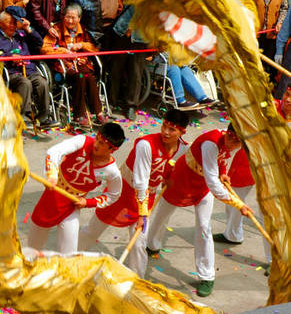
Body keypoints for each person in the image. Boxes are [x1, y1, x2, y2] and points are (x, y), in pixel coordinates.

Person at [80, 110, 189, 277]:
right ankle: (69, 258)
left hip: (147, 196)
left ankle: (135, 280)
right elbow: (141, 181)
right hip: (122, 192)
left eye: (172, 130)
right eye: (164, 126)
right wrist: (142, 214)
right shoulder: (146, 145)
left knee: (138, 243)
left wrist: (167, 177)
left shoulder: (183, 148)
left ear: (182, 132)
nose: (166, 132)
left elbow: (171, 165)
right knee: (93, 229)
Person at [147, 125, 251, 297]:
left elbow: (222, 159)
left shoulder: (232, 144)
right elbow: (213, 183)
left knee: (204, 227)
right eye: (232, 137)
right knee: (161, 215)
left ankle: (207, 275)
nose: (233, 143)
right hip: (181, 180)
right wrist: (239, 204)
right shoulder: (211, 142)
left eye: (238, 142)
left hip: (202, 187)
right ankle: (151, 245)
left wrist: (223, 172)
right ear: (228, 132)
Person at [27, 123, 125, 253]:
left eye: (102, 144)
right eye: (97, 139)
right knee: (33, 247)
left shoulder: (112, 172)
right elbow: (54, 151)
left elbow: (114, 194)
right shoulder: (82, 141)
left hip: (72, 205)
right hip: (52, 196)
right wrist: (52, 175)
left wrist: (88, 202)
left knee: (69, 253)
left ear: (112, 149)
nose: (95, 144)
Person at [40, 3, 104, 125]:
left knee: (89, 77)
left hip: (81, 65)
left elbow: (94, 48)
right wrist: (64, 51)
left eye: (73, 18)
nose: (70, 20)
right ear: (63, 17)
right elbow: (45, 48)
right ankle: (78, 115)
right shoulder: (57, 29)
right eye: (67, 17)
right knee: (81, 77)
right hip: (64, 66)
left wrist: (81, 45)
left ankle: (98, 112)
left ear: (79, 18)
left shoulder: (83, 30)